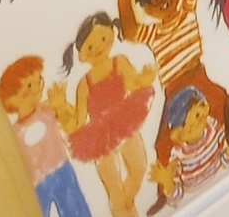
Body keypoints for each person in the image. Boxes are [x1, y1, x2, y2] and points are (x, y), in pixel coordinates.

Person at [118, 0, 229, 213]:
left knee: (222, 103)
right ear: (148, 9)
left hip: (197, 74)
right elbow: (129, 31)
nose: (166, 2)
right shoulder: (153, 33)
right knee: (162, 144)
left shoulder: (187, 8)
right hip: (174, 90)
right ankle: (165, 191)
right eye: (157, 1)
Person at [55, 12, 157, 217]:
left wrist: (144, 80)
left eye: (102, 38)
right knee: (113, 187)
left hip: (124, 122)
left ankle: (126, 205)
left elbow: (133, 83)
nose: (98, 48)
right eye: (90, 47)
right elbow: (77, 122)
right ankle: (123, 210)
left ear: (111, 33)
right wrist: (61, 107)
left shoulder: (120, 62)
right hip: (99, 136)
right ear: (82, 54)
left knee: (139, 168)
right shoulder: (84, 85)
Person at [0, 55, 91, 217]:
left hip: (61, 169)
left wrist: (61, 106)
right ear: (12, 99)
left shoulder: (47, 109)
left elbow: (73, 124)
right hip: (36, 182)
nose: (37, 88)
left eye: (38, 80)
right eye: (29, 86)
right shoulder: (14, 133)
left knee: (75, 209)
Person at [150, 88, 229, 206]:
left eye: (202, 115)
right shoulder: (178, 154)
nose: (201, 120)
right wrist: (168, 183)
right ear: (179, 134)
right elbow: (176, 199)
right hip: (195, 202)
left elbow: (226, 150)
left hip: (224, 182)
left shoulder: (211, 127)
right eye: (196, 118)